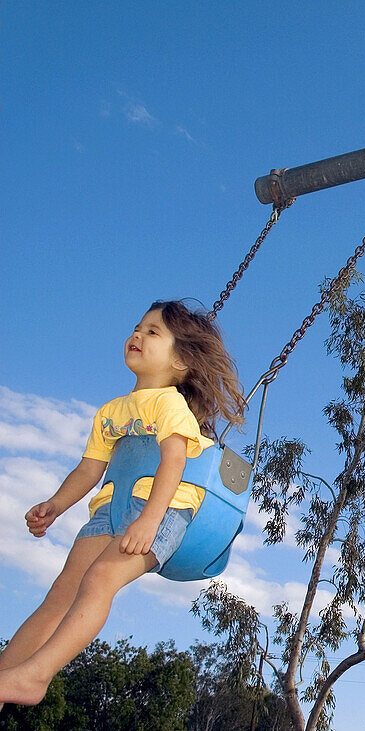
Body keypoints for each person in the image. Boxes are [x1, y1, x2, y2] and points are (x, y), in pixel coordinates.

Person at [0, 300, 245, 707]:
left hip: (161, 511)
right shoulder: (111, 412)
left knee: (99, 581)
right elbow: (88, 470)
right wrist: (55, 505)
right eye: (138, 328)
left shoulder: (169, 404)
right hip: (108, 511)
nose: (138, 335)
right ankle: (7, 676)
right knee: (60, 594)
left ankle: (34, 678)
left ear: (181, 360)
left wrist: (150, 520)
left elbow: (175, 461)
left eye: (153, 333)